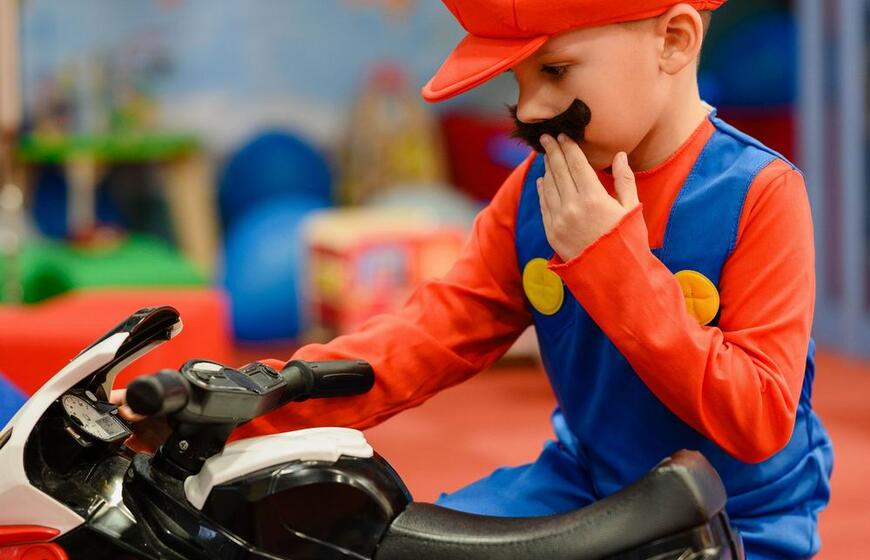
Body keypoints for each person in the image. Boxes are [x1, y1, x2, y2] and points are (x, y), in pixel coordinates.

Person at [120, 2, 833, 557]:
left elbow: (758, 420)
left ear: (674, 41)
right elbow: (427, 336)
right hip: (583, 483)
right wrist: (244, 407)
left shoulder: (760, 194)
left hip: (735, 513)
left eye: (556, 71)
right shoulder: (535, 192)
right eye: (518, 82)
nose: (531, 110)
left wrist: (612, 263)